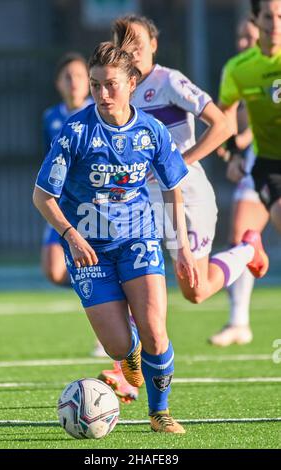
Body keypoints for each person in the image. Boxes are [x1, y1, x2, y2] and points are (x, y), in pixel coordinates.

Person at [33, 30, 200, 433]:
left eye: (110, 84)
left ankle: (159, 412)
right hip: (88, 247)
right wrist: (71, 235)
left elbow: (174, 189)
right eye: (96, 85)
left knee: (156, 332)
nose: (102, 93)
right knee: (118, 345)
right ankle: (129, 354)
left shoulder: (151, 132)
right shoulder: (74, 132)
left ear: (131, 84)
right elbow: (42, 197)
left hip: (138, 239)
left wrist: (182, 247)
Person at [98, 14, 269, 395]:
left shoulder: (168, 81)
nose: (131, 50)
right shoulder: (117, 92)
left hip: (187, 199)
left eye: (137, 42)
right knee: (134, 283)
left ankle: (246, 250)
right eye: (123, 44)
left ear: (153, 45)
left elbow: (222, 126)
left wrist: (180, 163)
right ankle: (126, 372)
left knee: (195, 290)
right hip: (142, 205)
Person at [217, 0, 281, 342]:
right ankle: (239, 320)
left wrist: (243, 138)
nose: (243, 42)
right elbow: (224, 120)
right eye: (240, 37)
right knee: (242, 238)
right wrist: (233, 154)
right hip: (265, 164)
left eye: (247, 36)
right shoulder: (240, 70)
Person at [41, 52, 92, 287]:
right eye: (67, 76)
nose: (74, 82)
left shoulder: (98, 113)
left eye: (80, 76)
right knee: (53, 271)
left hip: (94, 204)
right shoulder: (50, 116)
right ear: (58, 83)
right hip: (63, 204)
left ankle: (107, 288)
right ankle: (97, 283)